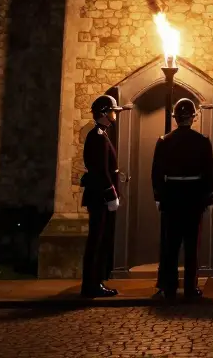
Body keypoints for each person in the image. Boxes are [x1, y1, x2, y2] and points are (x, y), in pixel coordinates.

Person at [152, 97, 213, 300]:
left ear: (175, 118)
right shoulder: (202, 141)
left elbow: (156, 173)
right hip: (193, 198)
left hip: (171, 197)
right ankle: (190, 287)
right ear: (193, 117)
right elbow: (209, 173)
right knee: (191, 247)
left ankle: (169, 287)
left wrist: (159, 196)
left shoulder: (164, 141)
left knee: (170, 246)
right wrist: (208, 198)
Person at [81, 94, 130, 297]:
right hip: (100, 197)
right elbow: (101, 170)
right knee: (97, 241)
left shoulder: (100, 134)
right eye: (112, 111)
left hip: (99, 196)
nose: (114, 114)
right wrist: (111, 195)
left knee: (99, 240)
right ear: (104, 113)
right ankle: (93, 284)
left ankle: (94, 282)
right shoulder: (98, 137)